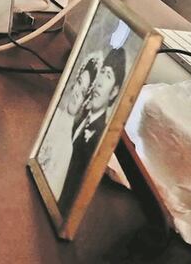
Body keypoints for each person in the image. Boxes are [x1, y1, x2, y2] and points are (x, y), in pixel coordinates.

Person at [56, 46, 127, 213]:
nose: (100, 82)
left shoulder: (99, 136)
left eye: (108, 76)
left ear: (114, 91)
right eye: (102, 72)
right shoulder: (79, 119)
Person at [37, 55, 100, 197]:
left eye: (83, 92)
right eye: (79, 83)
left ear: (85, 101)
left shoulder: (66, 148)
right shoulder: (52, 115)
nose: (77, 93)